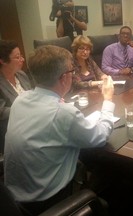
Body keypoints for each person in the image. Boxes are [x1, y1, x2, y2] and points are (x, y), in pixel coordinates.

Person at [4, 45, 114, 215]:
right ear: (64, 78)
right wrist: (108, 100)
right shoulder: (64, 113)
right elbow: (100, 136)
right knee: (106, 164)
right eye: (72, 71)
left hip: (15, 198)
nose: (73, 74)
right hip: (49, 201)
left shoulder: (20, 100)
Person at [0, 40, 32, 153]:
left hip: (32, 123)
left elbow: (32, 95)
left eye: (21, 56)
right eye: (17, 57)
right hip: (13, 132)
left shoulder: (21, 75)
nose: (22, 59)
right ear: (3, 61)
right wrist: (25, 108)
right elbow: (1, 111)